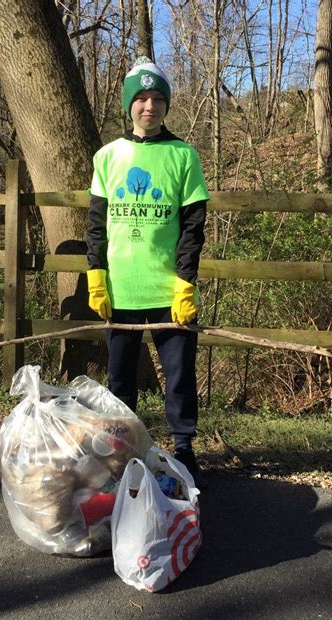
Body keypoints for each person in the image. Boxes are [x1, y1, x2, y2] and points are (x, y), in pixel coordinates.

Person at [86, 57, 210, 488]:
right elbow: (96, 225)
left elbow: (194, 226)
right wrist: (96, 276)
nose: (149, 106)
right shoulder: (107, 156)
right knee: (119, 378)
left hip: (167, 289)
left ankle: (184, 450)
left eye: (158, 98)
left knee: (178, 377)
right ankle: (125, 451)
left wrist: (185, 282)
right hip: (120, 291)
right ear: (129, 105)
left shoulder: (183, 155)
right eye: (141, 98)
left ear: (166, 105)